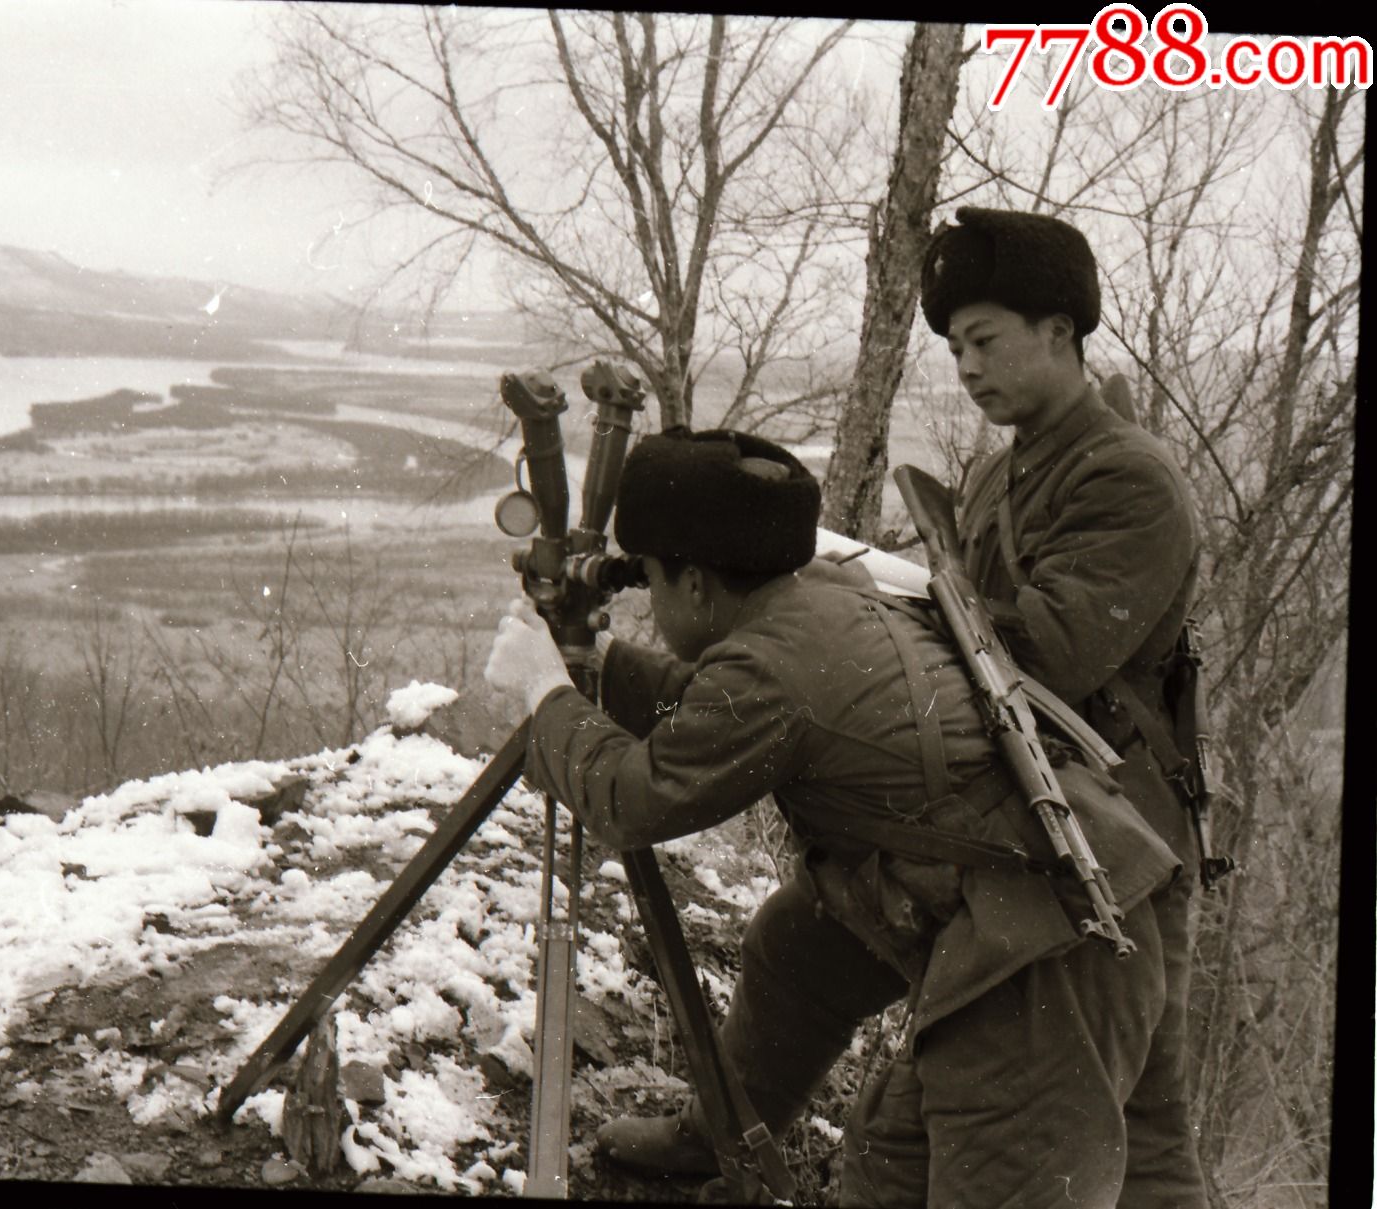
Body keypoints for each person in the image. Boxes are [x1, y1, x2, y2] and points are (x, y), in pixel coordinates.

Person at [484, 428, 1184, 1207]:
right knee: (804, 965)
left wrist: (544, 689)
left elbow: (632, 800)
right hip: (1046, 895)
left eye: (649, 579)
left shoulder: (769, 665)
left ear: (695, 586)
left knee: (976, 1177)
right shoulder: (816, 601)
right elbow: (721, 721)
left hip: (1046, 957)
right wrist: (604, 667)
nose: (648, 596)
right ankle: (721, 1134)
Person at [920, 205, 1208, 1205]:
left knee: (1137, 1127)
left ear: (1058, 333)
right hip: (1057, 823)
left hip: (1122, 834)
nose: (965, 365)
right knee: (1135, 1123)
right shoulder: (1002, 471)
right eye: (955, 347)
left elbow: (1053, 648)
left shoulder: (1127, 476)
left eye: (984, 339)